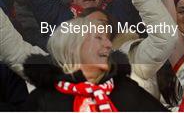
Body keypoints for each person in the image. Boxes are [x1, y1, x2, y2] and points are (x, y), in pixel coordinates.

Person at [21, 16, 166, 111]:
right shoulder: (43, 100)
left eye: (107, 38)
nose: (109, 44)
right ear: (72, 47)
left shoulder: (125, 89)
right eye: (99, 38)